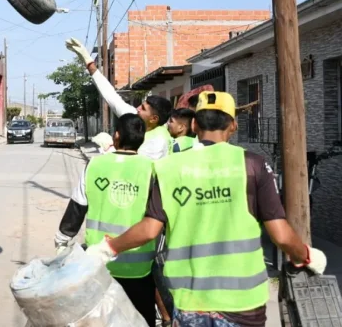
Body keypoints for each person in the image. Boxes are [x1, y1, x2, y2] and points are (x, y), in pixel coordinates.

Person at [85, 91, 327, 327]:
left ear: (195, 126)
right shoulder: (253, 165)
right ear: (233, 126)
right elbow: (280, 234)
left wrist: (108, 248)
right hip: (242, 303)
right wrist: (306, 256)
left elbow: (149, 229)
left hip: (191, 301)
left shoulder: (169, 167)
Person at [54, 114, 159, 327]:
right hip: (139, 270)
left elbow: (77, 207)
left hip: (98, 267)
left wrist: (62, 241)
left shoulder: (94, 165)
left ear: (116, 136)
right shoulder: (152, 169)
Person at [66, 37, 172, 161]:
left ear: (154, 119)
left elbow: (136, 163)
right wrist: (88, 60)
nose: (137, 109)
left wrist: (110, 149)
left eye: (143, 108)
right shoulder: (135, 118)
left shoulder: (159, 141)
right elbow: (110, 95)